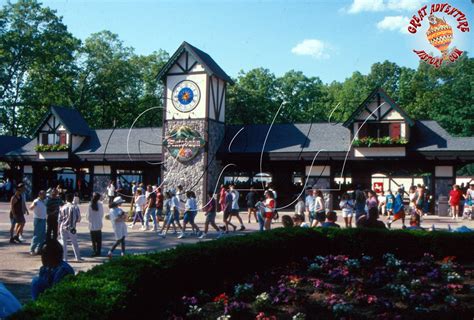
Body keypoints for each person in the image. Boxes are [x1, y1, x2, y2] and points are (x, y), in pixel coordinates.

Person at [58, 193, 82, 262]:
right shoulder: (75, 207)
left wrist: (58, 229)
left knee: (64, 243)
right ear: (72, 199)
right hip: (72, 228)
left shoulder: (62, 207)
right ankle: (78, 257)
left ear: (66, 199)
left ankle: (65, 259)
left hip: (63, 227)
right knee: (74, 243)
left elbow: (59, 219)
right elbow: (79, 219)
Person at [29, 190, 47, 255]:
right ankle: (32, 249)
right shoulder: (36, 201)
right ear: (40, 195)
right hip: (38, 219)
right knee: (37, 235)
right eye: (44, 194)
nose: (45, 195)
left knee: (42, 235)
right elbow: (30, 208)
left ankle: (39, 249)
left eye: (45, 194)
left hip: (43, 219)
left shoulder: (44, 201)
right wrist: (33, 205)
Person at [86, 192, 104, 257]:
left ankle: (94, 251)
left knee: (93, 241)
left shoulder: (90, 205)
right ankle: (98, 252)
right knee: (99, 240)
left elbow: (87, 216)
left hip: (91, 225)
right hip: (99, 225)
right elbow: (102, 214)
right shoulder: (101, 205)